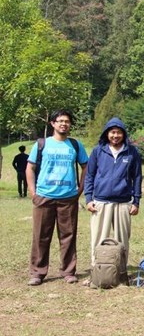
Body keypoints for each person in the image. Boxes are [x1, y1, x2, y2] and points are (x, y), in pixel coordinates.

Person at [25, 110, 88, 286]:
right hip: (44, 197)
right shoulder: (42, 144)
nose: (64, 124)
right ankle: (37, 272)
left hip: (68, 198)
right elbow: (30, 168)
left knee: (68, 235)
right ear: (53, 123)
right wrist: (33, 193)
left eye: (67, 121)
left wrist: (80, 190)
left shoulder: (75, 145)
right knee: (40, 236)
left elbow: (86, 167)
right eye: (60, 121)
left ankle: (68, 271)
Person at [84, 117, 142, 273]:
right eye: (112, 132)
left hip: (123, 202)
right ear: (106, 134)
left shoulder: (131, 152)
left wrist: (136, 201)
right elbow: (89, 175)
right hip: (101, 201)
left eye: (118, 133)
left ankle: (121, 271)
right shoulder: (98, 151)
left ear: (124, 134)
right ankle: (97, 269)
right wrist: (89, 199)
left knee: (122, 239)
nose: (115, 136)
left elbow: (136, 177)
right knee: (98, 238)